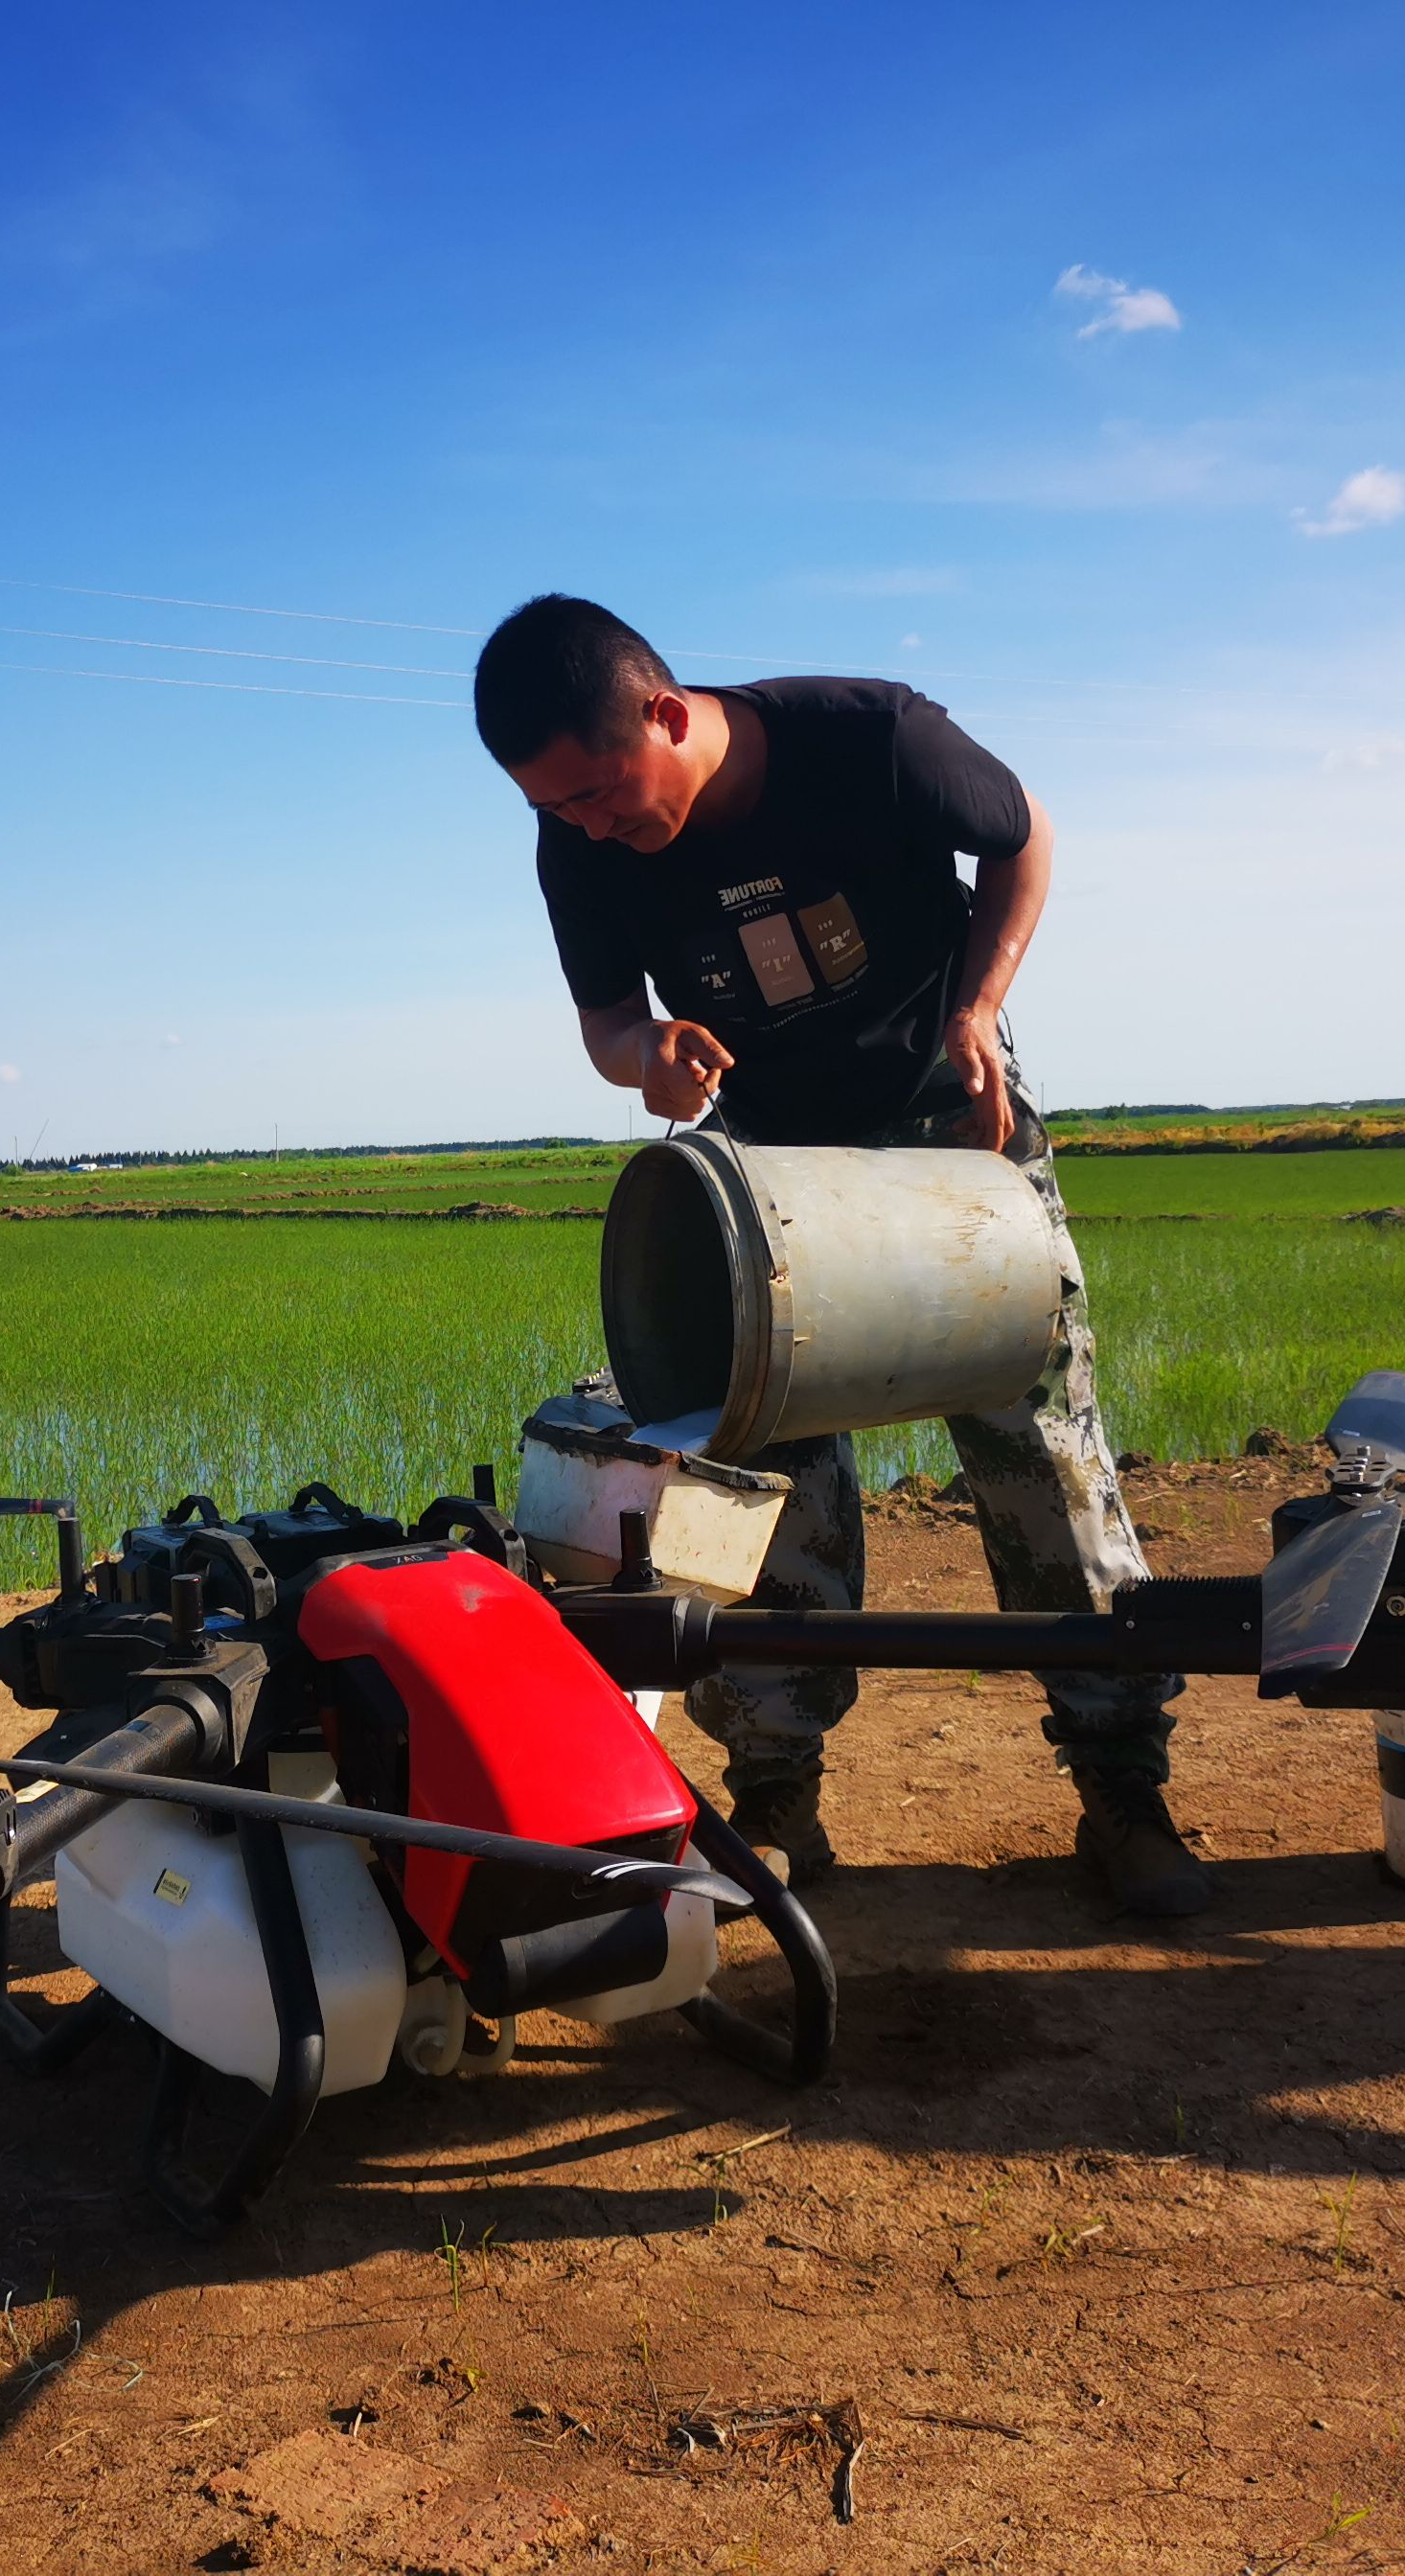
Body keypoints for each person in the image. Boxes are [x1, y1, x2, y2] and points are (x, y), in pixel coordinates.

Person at [472, 594, 1206, 1918]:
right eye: (555, 807)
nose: (587, 822)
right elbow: (607, 1027)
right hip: (775, 1162)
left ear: (663, 711)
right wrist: (655, 1059)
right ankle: (781, 1809)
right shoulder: (574, 842)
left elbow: (1025, 837)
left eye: (596, 790)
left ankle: (1124, 1793)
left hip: (948, 1119)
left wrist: (981, 1007)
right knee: (766, 1477)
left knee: (1039, 1448)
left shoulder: (869, 741)